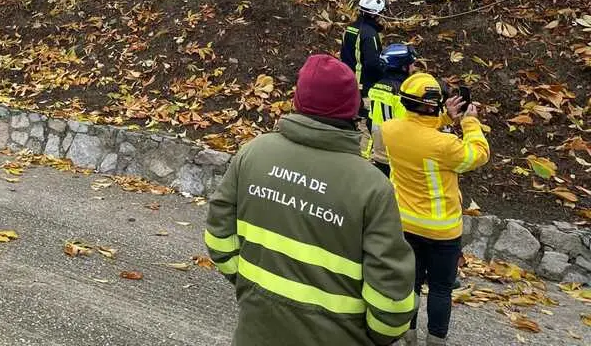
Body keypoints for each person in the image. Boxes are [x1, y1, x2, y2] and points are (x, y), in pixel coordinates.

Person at [205, 54, 416, 346]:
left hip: (256, 333)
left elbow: (218, 235)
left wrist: (249, 285)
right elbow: (391, 299)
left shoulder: (254, 153)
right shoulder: (372, 186)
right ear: (351, 109)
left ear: (298, 99)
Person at [380, 73, 490, 346]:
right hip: (442, 231)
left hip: (405, 225)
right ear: (431, 105)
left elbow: (416, 130)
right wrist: (470, 122)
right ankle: (436, 340)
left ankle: (408, 335)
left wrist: (443, 119)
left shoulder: (390, 130)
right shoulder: (445, 145)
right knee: (441, 289)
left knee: (411, 286)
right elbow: (478, 154)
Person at [366, 44, 418, 177]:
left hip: (377, 153)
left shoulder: (376, 87)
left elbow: (370, 121)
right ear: (402, 67)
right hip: (397, 158)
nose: (414, 68)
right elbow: (408, 127)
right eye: (411, 64)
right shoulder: (404, 93)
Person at [340, 0, 386, 113]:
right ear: (377, 14)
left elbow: (343, 53)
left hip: (348, 80)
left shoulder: (350, 28)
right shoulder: (370, 34)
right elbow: (372, 63)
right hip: (363, 85)